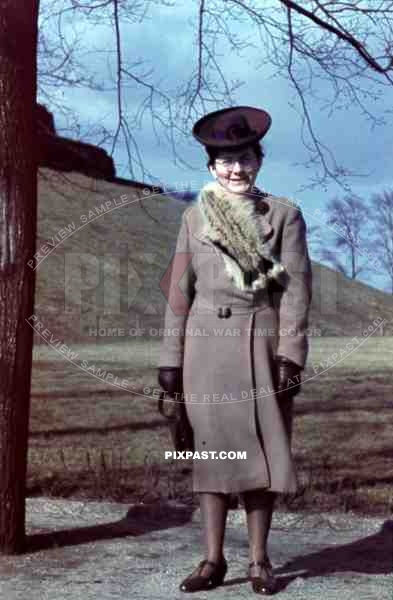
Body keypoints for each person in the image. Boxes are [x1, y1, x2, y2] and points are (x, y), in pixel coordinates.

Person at [158, 106, 312, 595]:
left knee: (260, 456)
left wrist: (291, 355)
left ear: (258, 161)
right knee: (212, 455)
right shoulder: (193, 216)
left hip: (259, 345)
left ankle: (260, 561)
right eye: (225, 161)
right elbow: (179, 292)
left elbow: (296, 291)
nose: (236, 170)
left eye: (244, 159)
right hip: (204, 349)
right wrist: (170, 360)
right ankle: (212, 561)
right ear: (211, 167)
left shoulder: (284, 214)